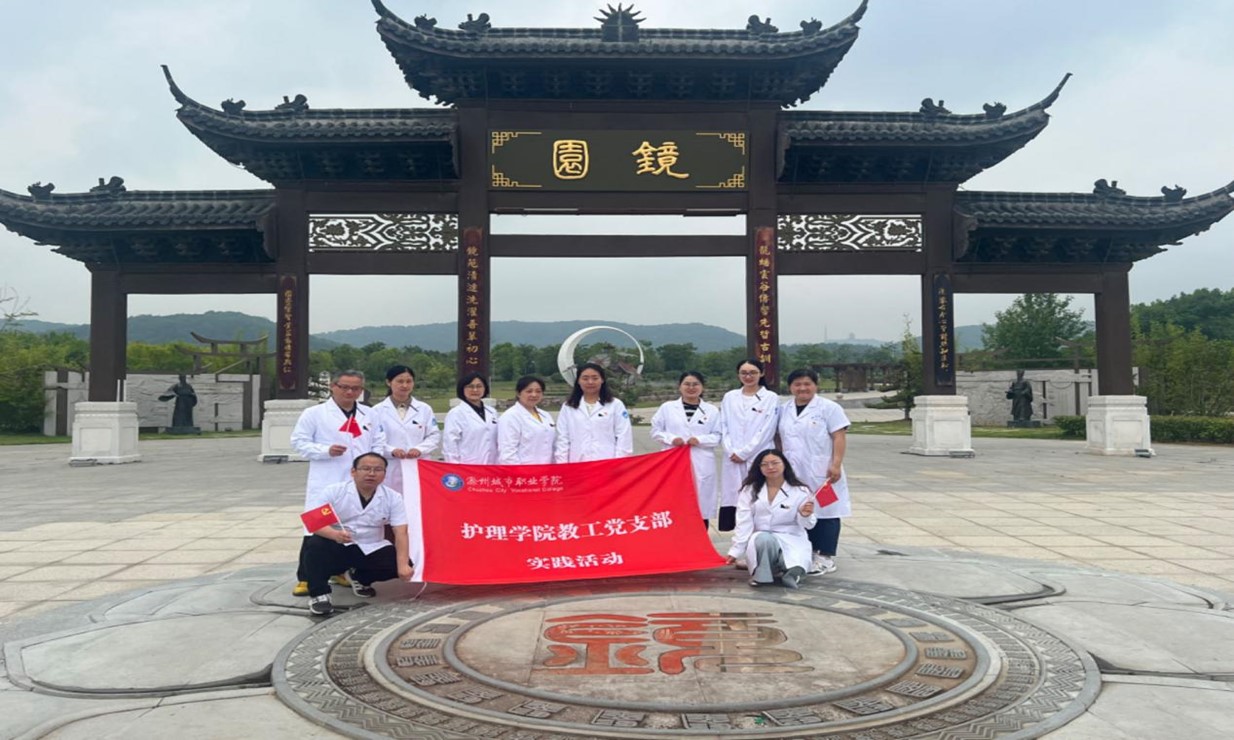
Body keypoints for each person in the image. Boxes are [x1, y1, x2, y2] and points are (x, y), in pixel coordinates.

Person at [289, 370, 386, 596]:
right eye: (344, 387)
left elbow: (378, 441)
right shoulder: (315, 413)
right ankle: (306, 577)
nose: (350, 392)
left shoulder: (369, 414)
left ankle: (340, 571)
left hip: (359, 480)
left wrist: (371, 463)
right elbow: (299, 442)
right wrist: (325, 450)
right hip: (328, 477)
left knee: (349, 525)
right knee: (318, 524)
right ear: (333, 386)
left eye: (355, 388)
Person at [300, 452, 413, 616]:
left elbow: (400, 531)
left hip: (370, 545)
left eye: (378, 470)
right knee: (315, 544)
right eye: (366, 469)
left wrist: (403, 565)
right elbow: (314, 523)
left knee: (401, 563)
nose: (371, 474)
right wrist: (334, 535)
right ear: (353, 471)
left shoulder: (393, 497)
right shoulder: (334, 491)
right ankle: (319, 595)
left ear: (384, 474)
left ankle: (359, 578)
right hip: (337, 543)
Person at [777, 367, 851, 575]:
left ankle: (825, 556)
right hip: (793, 470)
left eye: (807, 384)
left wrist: (836, 463)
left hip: (823, 471)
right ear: (790, 387)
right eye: (797, 384)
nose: (802, 388)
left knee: (827, 510)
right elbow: (778, 437)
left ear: (815, 385)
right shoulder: (784, 409)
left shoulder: (829, 408)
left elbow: (839, 436)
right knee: (800, 508)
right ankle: (806, 551)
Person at [724, 449, 816, 589]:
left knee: (794, 563)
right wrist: (736, 551)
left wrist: (805, 515)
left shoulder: (800, 491)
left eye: (775, 463)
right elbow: (744, 522)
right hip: (762, 538)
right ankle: (762, 576)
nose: (770, 467)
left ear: (784, 464)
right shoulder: (749, 490)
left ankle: (791, 572)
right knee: (764, 538)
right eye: (765, 464)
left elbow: (808, 525)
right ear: (759, 468)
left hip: (792, 537)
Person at [650, 371, 720, 527]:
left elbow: (717, 436)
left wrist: (700, 440)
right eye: (687, 384)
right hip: (673, 459)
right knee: (674, 500)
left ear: (702, 387)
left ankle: (700, 537)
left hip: (701, 460)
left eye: (695, 384)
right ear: (679, 386)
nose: (691, 388)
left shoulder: (711, 410)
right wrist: (671, 439)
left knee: (700, 504)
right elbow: (655, 431)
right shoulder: (667, 408)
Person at [717, 358, 779, 531]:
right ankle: (740, 538)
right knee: (735, 497)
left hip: (759, 454)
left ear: (762, 374)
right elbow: (724, 425)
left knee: (759, 496)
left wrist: (745, 452)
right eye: (744, 373)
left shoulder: (770, 398)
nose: (748, 376)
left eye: (753, 373)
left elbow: (768, 429)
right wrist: (730, 450)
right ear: (738, 375)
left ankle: (760, 536)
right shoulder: (730, 397)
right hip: (732, 456)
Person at [371, 365, 440, 493]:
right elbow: (373, 439)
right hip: (390, 465)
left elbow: (434, 435)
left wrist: (419, 449)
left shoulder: (424, 409)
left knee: (417, 498)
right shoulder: (377, 411)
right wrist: (392, 450)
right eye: (400, 381)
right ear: (388, 382)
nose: (405, 385)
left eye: (409, 381)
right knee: (390, 498)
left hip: (418, 464)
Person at [554, 362, 633, 463]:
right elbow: (562, 438)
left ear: (602, 380)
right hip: (577, 463)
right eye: (585, 378)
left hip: (607, 463)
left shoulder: (615, 405)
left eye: (595, 378)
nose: (590, 382)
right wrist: (562, 464)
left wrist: (619, 463)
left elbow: (624, 436)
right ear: (578, 381)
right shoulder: (568, 406)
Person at [442, 372, 499, 464]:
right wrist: (454, 466)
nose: (475, 390)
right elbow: (450, 444)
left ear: (485, 388)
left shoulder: (492, 412)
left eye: (479, 386)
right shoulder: (456, 413)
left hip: (492, 465)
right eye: (470, 386)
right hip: (467, 465)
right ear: (462, 389)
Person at [497, 375, 556, 464]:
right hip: (524, 470)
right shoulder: (510, 417)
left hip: (547, 469)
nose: (534, 395)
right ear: (518, 393)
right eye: (529, 391)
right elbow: (507, 454)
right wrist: (523, 472)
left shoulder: (546, 415)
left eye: (538, 391)